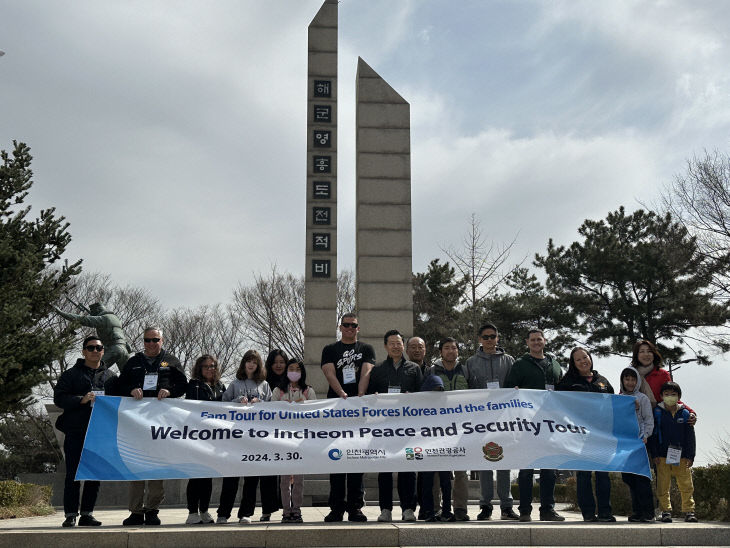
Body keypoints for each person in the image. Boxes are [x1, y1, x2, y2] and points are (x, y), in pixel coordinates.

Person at [118, 327, 187, 526]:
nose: (151, 343)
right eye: (147, 340)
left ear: (162, 340)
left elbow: (183, 385)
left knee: (157, 468)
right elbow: (119, 385)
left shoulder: (172, 361)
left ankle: (152, 510)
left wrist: (169, 390)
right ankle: (136, 512)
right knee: (136, 467)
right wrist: (131, 389)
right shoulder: (133, 362)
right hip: (136, 425)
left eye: (155, 339)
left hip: (160, 424)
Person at [53, 335, 117, 527]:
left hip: (100, 433)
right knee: (73, 474)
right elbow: (59, 398)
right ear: (83, 351)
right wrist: (81, 399)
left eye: (99, 348)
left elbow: (120, 401)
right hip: (76, 431)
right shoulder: (70, 375)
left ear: (103, 351)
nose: (95, 351)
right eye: (91, 348)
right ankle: (71, 514)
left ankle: (87, 514)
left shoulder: (111, 377)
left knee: (94, 475)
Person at [503, 328, 565, 522]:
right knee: (526, 469)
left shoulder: (554, 365)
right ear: (527, 343)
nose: (536, 342)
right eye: (533, 340)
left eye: (539, 339)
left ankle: (548, 509)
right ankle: (525, 511)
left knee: (549, 469)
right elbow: (508, 390)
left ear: (545, 341)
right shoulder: (520, 364)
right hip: (526, 424)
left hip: (549, 423)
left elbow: (563, 392)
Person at [320, 312, 375, 523]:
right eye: (346, 325)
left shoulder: (366, 349)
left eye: (354, 325)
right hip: (336, 409)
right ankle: (336, 508)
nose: (350, 328)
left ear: (358, 328)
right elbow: (328, 372)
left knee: (356, 459)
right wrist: (342, 393)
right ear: (340, 327)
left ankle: (355, 508)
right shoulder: (330, 349)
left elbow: (367, 372)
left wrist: (359, 396)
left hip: (359, 411)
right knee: (336, 459)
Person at [465, 323, 518, 521]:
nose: (489, 340)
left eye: (492, 336)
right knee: (485, 462)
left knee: (505, 462)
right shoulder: (470, 362)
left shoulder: (509, 360)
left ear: (498, 338)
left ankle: (507, 506)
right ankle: (485, 506)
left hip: (504, 420)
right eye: (485, 337)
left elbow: (515, 388)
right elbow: (467, 391)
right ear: (479, 339)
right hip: (481, 421)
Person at [368, 329, 423, 522]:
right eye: (392, 343)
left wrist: (413, 399)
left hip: (407, 428)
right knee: (385, 469)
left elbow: (422, 399)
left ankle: (408, 509)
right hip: (384, 428)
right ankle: (386, 509)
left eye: (399, 343)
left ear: (403, 346)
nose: (396, 346)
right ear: (385, 346)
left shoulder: (414, 369)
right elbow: (370, 398)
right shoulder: (378, 370)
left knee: (408, 468)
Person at [217, 350, 277, 524]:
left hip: (256, 439)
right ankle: (223, 513)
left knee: (251, 478)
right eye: (248, 361)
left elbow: (273, 409)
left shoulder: (264, 385)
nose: (251, 364)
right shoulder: (235, 383)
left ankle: (246, 513)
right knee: (231, 477)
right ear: (243, 364)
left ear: (259, 366)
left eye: (255, 362)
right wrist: (237, 400)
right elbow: (223, 404)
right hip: (236, 438)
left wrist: (261, 403)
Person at [556, 347, 615, 522]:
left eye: (585, 357)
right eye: (578, 359)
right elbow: (556, 405)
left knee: (603, 474)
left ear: (590, 358)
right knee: (583, 475)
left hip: (602, 436)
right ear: (573, 364)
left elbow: (615, 404)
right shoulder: (567, 383)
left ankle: (605, 512)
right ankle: (588, 513)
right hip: (579, 436)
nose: (583, 361)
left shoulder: (602, 381)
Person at [429, 337, 470, 521]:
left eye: (454, 348)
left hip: (463, 428)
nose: (451, 351)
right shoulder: (432, 371)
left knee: (461, 471)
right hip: (439, 429)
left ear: (458, 351)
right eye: (447, 348)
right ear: (440, 352)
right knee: (437, 471)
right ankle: (436, 508)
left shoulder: (466, 370)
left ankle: (460, 508)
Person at [271, 358, 316, 523]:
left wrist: (295, 405)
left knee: (298, 479)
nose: (294, 372)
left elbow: (314, 412)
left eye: (298, 369)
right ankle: (286, 510)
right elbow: (271, 412)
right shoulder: (278, 391)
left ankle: (296, 510)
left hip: (301, 440)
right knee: (284, 479)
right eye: (291, 368)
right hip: (282, 438)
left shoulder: (308, 391)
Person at [185, 354, 226, 525]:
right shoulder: (193, 385)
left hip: (214, 438)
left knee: (208, 476)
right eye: (206, 366)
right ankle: (192, 512)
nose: (210, 369)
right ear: (199, 369)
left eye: (213, 366)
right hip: (197, 436)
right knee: (196, 475)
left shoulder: (221, 386)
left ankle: (204, 510)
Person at [648, 381, 698, 523]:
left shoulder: (686, 413)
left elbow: (690, 437)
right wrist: (655, 454)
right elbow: (653, 435)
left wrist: (690, 455)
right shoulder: (657, 412)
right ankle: (665, 511)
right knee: (663, 485)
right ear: (661, 396)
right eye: (667, 394)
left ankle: (689, 511)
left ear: (679, 396)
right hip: (662, 456)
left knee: (686, 484)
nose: (670, 397)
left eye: (673, 394)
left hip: (682, 456)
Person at [619, 366, 655, 523]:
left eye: (633, 379)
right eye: (627, 379)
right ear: (622, 381)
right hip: (624, 446)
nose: (630, 382)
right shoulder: (618, 398)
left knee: (642, 479)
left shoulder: (643, 398)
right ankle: (637, 512)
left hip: (640, 444)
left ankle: (648, 512)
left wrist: (645, 435)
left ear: (638, 381)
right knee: (629, 479)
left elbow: (649, 420)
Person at [54, 302, 132, 371]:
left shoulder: (103, 319)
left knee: (92, 371)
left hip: (114, 349)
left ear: (97, 311)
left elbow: (82, 320)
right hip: (124, 350)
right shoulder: (115, 319)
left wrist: (60, 312)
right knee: (129, 378)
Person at [418, 374, 454, 522]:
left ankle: (446, 511)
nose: (437, 393)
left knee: (446, 482)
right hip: (426, 450)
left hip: (443, 449)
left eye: (440, 390)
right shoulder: (419, 408)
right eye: (434, 390)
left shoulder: (447, 407)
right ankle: (428, 511)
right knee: (427, 483)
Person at [405, 335, 429, 518]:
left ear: (425, 350)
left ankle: (427, 507)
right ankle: (408, 508)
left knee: (427, 470)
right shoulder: (403, 371)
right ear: (407, 350)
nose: (416, 350)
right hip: (405, 429)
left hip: (428, 430)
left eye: (420, 346)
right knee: (408, 469)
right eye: (412, 347)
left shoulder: (433, 371)